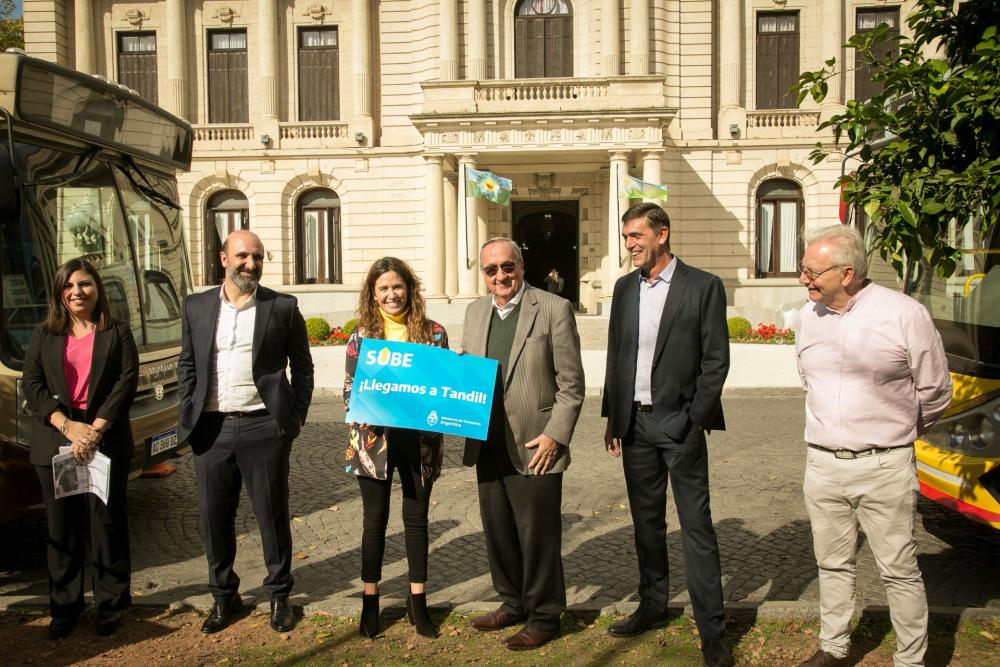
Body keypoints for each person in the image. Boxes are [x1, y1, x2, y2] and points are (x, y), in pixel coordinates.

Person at [794, 225, 951, 667]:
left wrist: (894, 433)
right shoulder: (809, 316)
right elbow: (808, 379)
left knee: (899, 570)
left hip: (885, 466)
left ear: (846, 273)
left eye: (811, 271)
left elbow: (935, 390)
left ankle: (910, 660)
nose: (803, 278)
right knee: (832, 564)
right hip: (822, 465)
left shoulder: (904, 314)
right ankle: (834, 650)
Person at [602, 202, 733, 667]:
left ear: (663, 234)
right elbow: (617, 355)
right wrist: (613, 420)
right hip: (634, 426)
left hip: (678, 425)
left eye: (637, 236)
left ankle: (713, 632)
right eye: (626, 237)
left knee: (696, 529)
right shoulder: (623, 288)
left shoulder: (703, 286)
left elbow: (716, 360)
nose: (630, 244)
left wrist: (692, 418)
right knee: (646, 526)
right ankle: (653, 604)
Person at [178, 230, 314, 635]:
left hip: (264, 427)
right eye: (242, 256)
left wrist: (294, 417)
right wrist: (189, 409)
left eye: (257, 257)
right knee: (213, 519)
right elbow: (187, 364)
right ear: (223, 258)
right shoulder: (197, 306)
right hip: (212, 428)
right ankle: (223, 597)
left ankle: (278, 596)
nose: (250, 264)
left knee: (272, 517)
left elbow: (303, 367)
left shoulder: (282, 307)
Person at [461, 238, 585, 651]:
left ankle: (545, 616)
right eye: (491, 270)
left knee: (538, 536)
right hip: (487, 440)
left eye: (507, 267)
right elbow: (470, 373)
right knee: (498, 531)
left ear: (521, 265)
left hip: (537, 443)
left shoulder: (553, 308)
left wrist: (556, 434)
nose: (500, 276)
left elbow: (572, 385)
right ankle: (512, 603)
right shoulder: (475, 312)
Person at [22, 258, 139, 640]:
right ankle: (65, 607)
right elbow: (33, 383)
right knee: (62, 527)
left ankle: (111, 604)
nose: (77, 292)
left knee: (106, 524)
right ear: (59, 291)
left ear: (97, 289)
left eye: (85, 284)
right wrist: (66, 425)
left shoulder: (117, 332)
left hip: (104, 436)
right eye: (69, 285)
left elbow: (126, 381)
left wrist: (94, 430)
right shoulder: (44, 334)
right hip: (57, 435)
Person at [343, 257, 449, 639]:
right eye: (384, 288)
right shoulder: (362, 337)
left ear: (410, 289)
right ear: (373, 294)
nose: (392, 294)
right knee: (374, 522)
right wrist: (371, 406)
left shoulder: (434, 334)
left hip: (419, 443)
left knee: (416, 522)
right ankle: (369, 601)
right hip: (374, 442)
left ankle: (417, 602)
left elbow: (443, 389)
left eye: (398, 286)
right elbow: (348, 391)